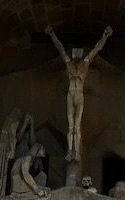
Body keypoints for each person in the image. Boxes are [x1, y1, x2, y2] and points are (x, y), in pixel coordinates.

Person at [45, 25, 113, 161]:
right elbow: (60, 48)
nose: (75, 55)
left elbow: (96, 49)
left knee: (77, 125)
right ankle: (70, 151)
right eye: (74, 54)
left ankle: (77, 152)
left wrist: (105, 36)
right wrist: (51, 34)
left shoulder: (85, 64)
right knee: (70, 126)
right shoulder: (69, 64)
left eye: (77, 54)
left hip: (79, 95)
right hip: (71, 95)